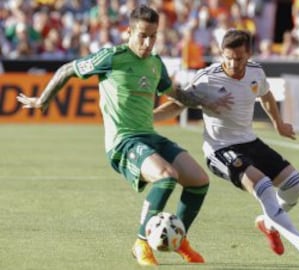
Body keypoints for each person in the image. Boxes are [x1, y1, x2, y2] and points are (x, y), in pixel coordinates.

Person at [16, 5, 230, 267]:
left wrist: (210, 100)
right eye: (143, 35)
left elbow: (178, 95)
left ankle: (177, 238)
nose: (148, 42)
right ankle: (141, 243)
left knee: (199, 181)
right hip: (123, 142)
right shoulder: (112, 57)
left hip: (149, 136)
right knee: (166, 177)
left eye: (153, 36)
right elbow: (67, 69)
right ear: (128, 32)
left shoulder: (155, 63)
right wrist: (42, 100)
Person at [154, 29, 299, 263]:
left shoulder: (256, 71)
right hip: (220, 149)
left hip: (250, 142)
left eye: (239, 58)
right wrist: (148, 118)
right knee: (264, 187)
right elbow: (177, 104)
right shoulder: (207, 78)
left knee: (296, 186)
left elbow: (266, 96)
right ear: (221, 54)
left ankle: (267, 223)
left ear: (248, 54)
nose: (233, 63)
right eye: (228, 58)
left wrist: (278, 124)